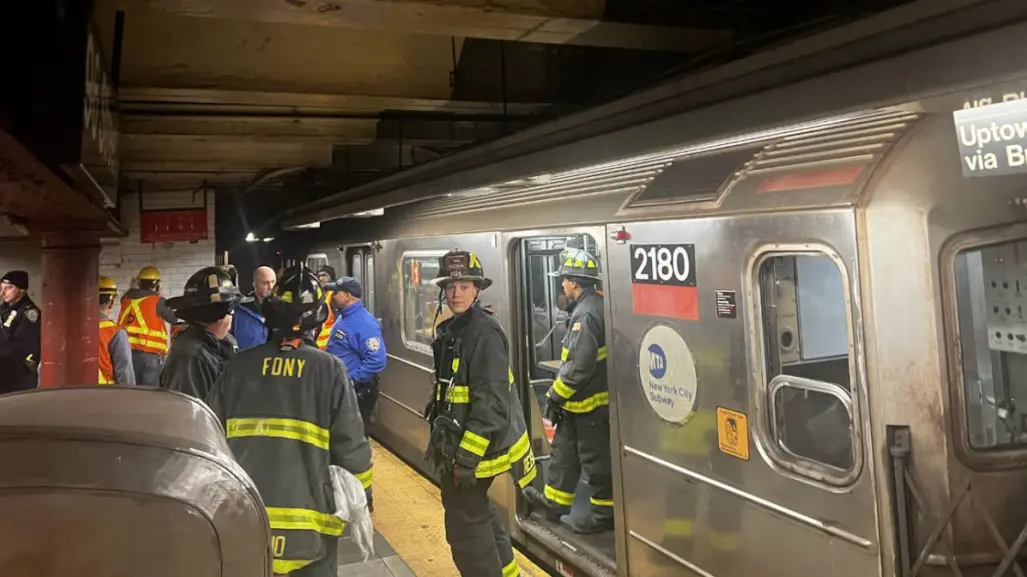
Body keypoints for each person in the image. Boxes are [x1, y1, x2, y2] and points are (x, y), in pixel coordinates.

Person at [206, 265, 373, 577]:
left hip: (246, 522)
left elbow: (208, 438)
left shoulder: (238, 367)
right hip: (311, 527)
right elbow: (351, 446)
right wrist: (364, 497)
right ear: (319, 318)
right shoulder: (330, 370)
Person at [423, 249, 537, 577]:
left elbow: (492, 404)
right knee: (479, 512)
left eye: (464, 285)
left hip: (474, 453)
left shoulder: (484, 333)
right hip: (464, 448)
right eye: (450, 286)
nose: (456, 292)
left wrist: (466, 459)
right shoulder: (456, 328)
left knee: (465, 531)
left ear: (477, 289)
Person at [523, 248, 613, 534]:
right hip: (576, 405)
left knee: (596, 461)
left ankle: (604, 514)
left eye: (564, 280)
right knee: (564, 454)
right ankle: (553, 504)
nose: (561, 284)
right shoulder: (591, 306)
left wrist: (554, 395)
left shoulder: (585, 316)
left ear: (574, 282)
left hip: (589, 405)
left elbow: (579, 366)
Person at [159, 267, 241, 400]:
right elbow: (189, 413)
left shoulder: (223, 343)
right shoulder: (191, 355)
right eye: (231, 309)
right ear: (221, 315)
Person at [325, 276, 386, 433]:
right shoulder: (344, 317)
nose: (332, 295)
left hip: (357, 393)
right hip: (342, 389)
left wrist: (351, 379)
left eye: (336, 292)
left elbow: (377, 361)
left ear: (347, 296)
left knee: (353, 436)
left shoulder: (364, 324)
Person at [118, 266, 179, 386]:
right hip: (150, 356)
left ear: (140, 283)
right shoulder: (158, 301)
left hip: (128, 353)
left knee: (132, 390)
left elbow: (133, 294)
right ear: (157, 285)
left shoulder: (125, 299)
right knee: (150, 394)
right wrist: (159, 296)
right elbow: (174, 319)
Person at [0, 271, 40, 394]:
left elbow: (22, 346)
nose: (2, 293)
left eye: (9, 288)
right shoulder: (3, 309)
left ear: (21, 289)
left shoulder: (29, 313)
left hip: (17, 375)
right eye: (1, 288)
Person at [98, 276, 135, 385]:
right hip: (106, 394)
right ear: (111, 301)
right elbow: (124, 373)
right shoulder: (115, 332)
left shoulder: (70, 328)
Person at [232, 265, 276, 350]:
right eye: (265, 283)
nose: (270, 287)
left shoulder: (282, 308)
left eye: (273, 282)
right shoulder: (241, 309)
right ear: (254, 284)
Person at [314, 265, 337, 350]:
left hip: (329, 344)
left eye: (324, 275)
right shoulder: (318, 295)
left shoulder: (333, 296)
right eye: (318, 276)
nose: (320, 278)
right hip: (317, 344)